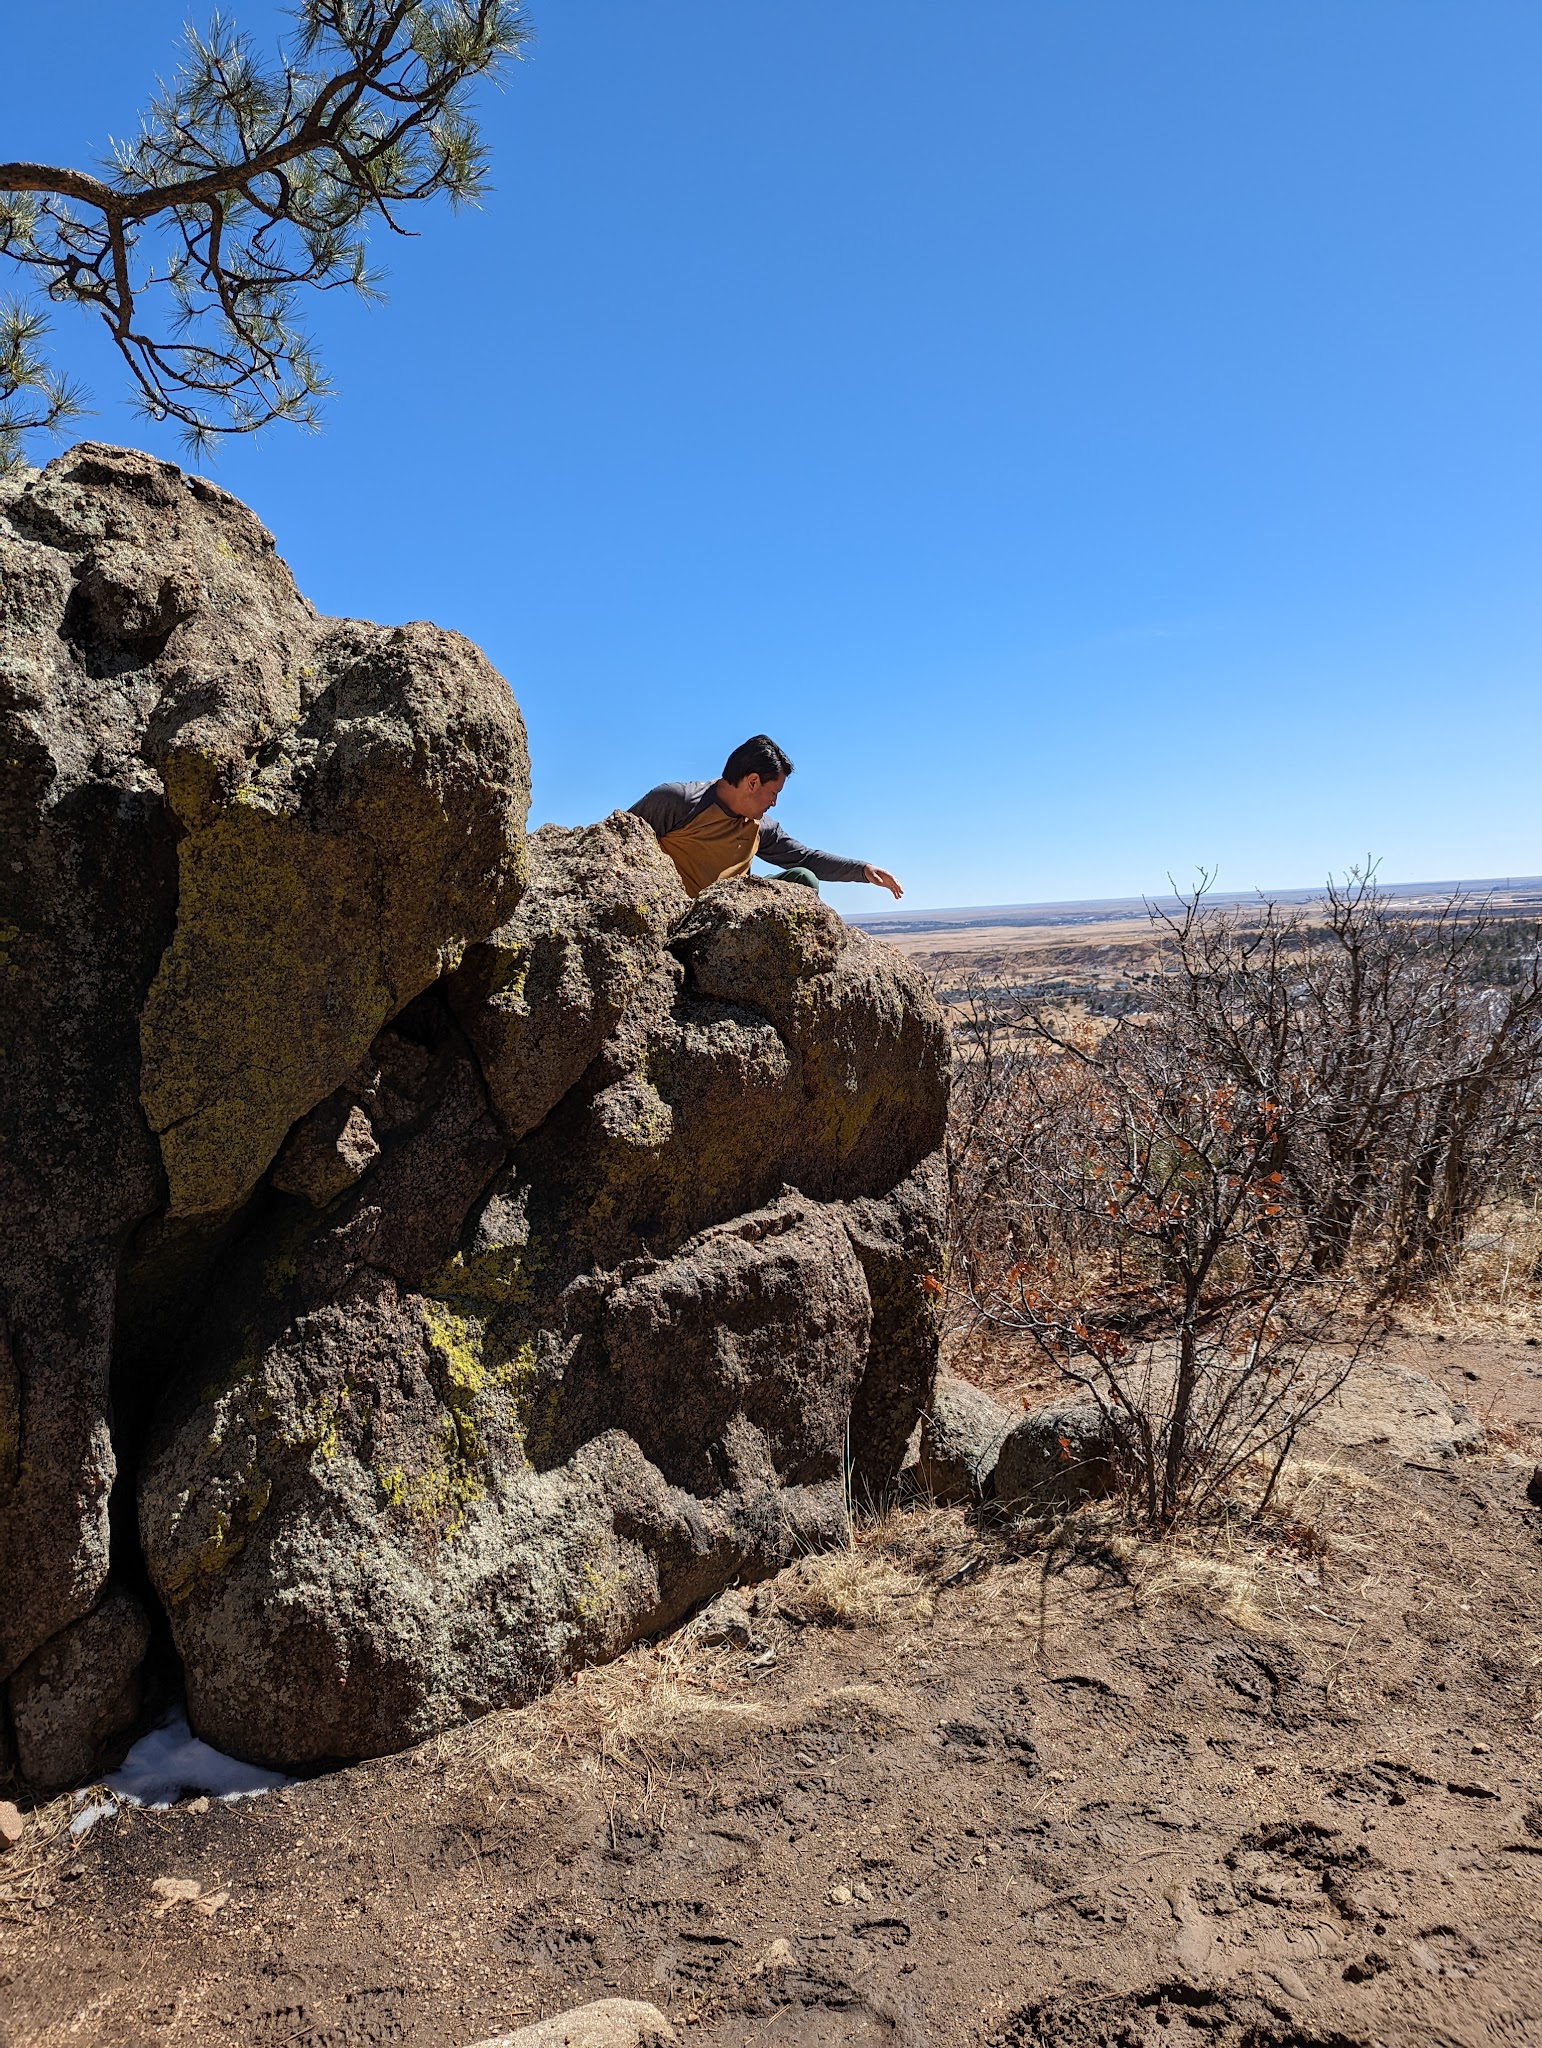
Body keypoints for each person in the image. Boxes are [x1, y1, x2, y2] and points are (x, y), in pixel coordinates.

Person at [630, 735, 903, 902]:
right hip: (684, 913)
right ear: (752, 782)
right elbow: (618, 842)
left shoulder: (760, 826)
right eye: (773, 792)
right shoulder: (679, 801)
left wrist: (863, 871)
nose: (774, 802)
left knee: (803, 878)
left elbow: (804, 858)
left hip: (734, 910)